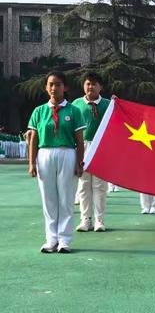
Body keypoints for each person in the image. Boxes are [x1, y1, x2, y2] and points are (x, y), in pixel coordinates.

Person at [28, 71, 86, 253]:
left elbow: (79, 141)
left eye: (58, 84)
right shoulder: (39, 111)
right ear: (46, 87)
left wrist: (79, 163)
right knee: (49, 199)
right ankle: (51, 239)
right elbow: (34, 140)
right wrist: (32, 163)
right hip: (44, 154)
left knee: (66, 198)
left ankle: (65, 240)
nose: (54, 88)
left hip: (67, 153)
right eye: (51, 84)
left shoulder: (73, 111)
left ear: (65, 87)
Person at [72, 72, 111, 232]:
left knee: (100, 186)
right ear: (83, 86)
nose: (91, 87)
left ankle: (99, 220)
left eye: (94, 84)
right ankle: (85, 220)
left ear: (100, 87)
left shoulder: (109, 104)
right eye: (88, 83)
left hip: (101, 148)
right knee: (83, 185)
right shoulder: (76, 104)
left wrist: (118, 103)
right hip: (82, 147)